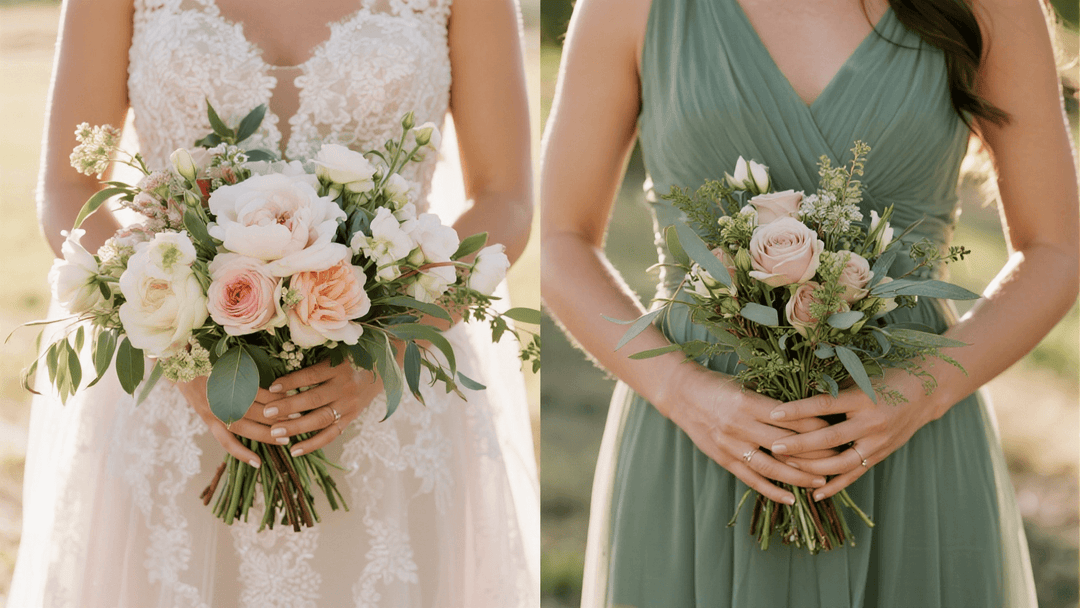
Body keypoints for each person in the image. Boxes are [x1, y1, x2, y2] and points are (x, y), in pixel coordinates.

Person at [541, 0, 1077, 605]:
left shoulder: (993, 9)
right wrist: (683, 393)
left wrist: (918, 394)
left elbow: (1056, 248)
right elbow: (559, 241)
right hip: (697, 436)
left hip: (906, 439)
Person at [10, 0, 539, 606]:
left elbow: (505, 198)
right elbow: (69, 187)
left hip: (387, 399)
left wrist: (392, 346)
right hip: (172, 398)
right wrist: (183, 350)